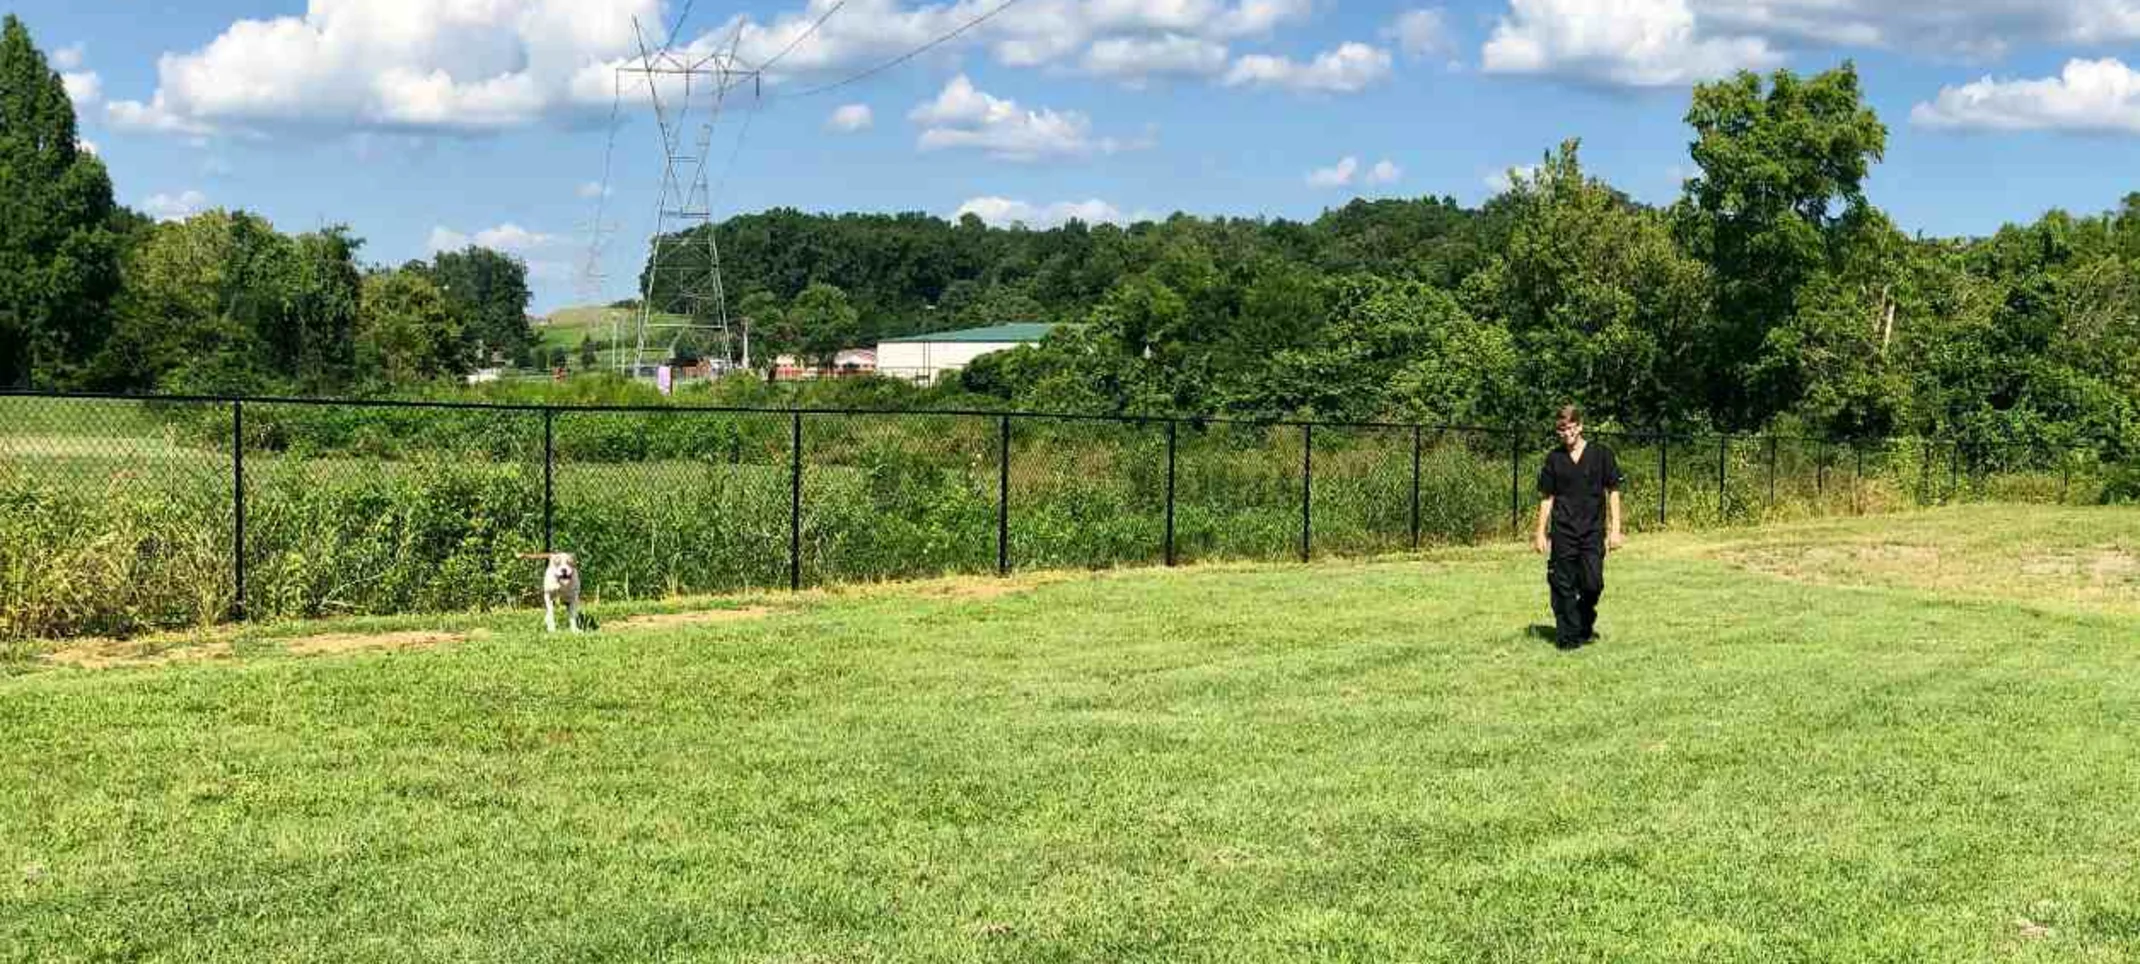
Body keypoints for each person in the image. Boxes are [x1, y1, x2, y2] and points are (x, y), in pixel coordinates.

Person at [1532, 405, 1625, 649]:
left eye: (1571, 428)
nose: (1567, 434)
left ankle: (1584, 623)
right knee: (1562, 584)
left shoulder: (1601, 454)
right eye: (1562, 430)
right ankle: (1568, 638)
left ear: (1580, 427)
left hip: (1593, 531)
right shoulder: (1554, 459)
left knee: (1592, 583)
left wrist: (1616, 529)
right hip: (1563, 531)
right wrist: (1540, 532)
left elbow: (1613, 491)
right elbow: (1547, 497)